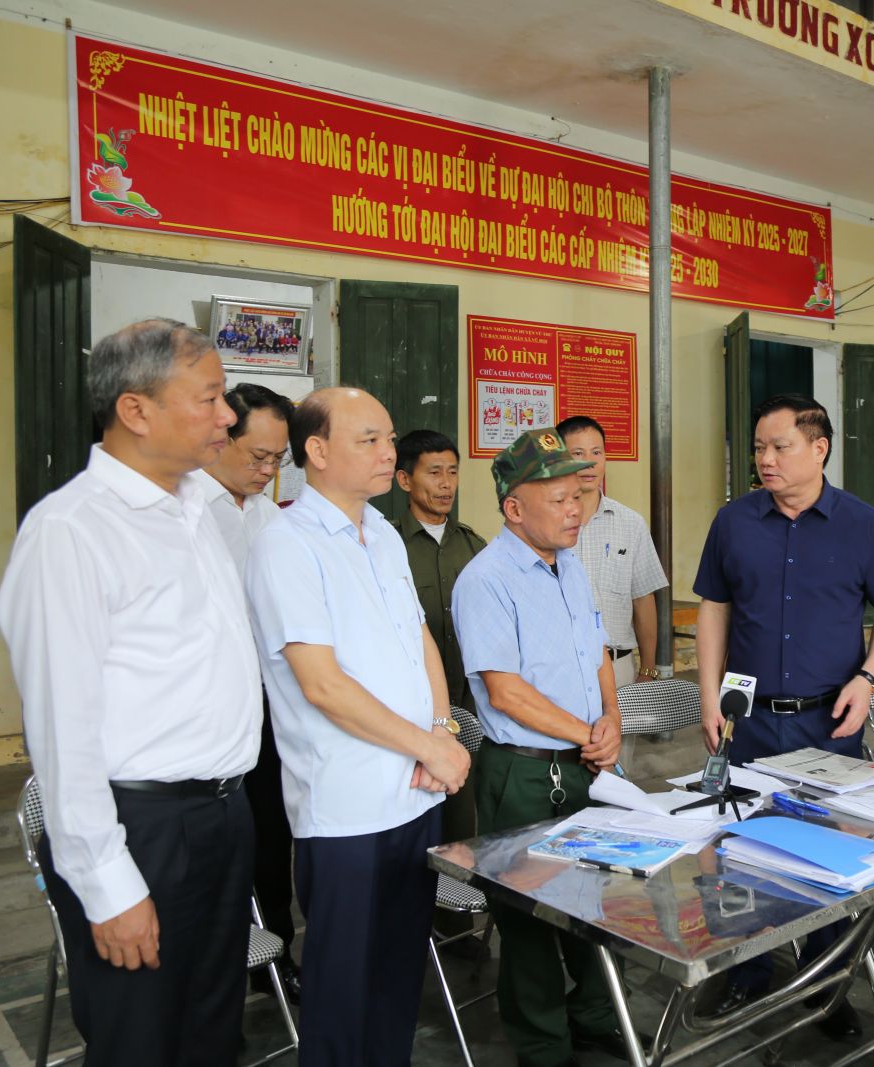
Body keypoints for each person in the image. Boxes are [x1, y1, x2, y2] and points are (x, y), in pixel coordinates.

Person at [0, 319, 259, 1066]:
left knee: (212, 1032)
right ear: (136, 410)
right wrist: (107, 883)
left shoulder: (196, 509)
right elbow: (61, 730)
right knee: (140, 1039)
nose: (228, 416)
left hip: (221, 814)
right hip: (141, 827)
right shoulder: (71, 531)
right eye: (209, 398)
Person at [245, 387, 471, 1066]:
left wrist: (441, 731)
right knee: (343, 994)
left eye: (389, 438)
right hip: (347, 809)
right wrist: (430, 745)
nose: (387, 452)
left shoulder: (383, 534)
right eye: (368, 439)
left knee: (399, 977)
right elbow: (323, 685)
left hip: (416, 791)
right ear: (316, 451)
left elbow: (420, 640)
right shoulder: (287, 543)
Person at [693, 393, 874, 1040]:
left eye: (779, 446)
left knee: (827, 853)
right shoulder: (734, 522)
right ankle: (748, 971)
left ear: (819, 449)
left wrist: (868, 679)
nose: (765, 458)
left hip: (829, 722)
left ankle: (827, 983)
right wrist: (708, 694)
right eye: (759, 447)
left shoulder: (862, 524)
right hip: (749, 720)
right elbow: (714, 609)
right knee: (743, 848)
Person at [453, 427, 632, 1067]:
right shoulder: (486, 580)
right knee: (529, 915)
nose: (574, 509)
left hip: (586, 764)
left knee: (596, 898)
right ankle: (543, 1045)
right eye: (557, 499)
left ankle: (593, 1017)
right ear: (514, 508)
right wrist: (588, 734)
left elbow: (598, 652)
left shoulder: (570, 567)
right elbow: (505, 692)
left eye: (577, 495)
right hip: (525, 774)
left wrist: (611, 719)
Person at [198, 382, 302, 1001]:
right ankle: (216, 965)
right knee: (214, 844)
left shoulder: (270, 518)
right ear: (221, 438)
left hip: (267, 704)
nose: (268, 471)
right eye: (258, 456)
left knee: (270, 833)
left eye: (278, 460)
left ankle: (275, 957)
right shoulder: (185, 510)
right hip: (205, 711)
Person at [393, 428, 487, 942]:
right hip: (409, 710)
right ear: (405, 479)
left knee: (461, 816)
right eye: (434, 472)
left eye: (453, 472)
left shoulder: (473, 545)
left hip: (467, 705)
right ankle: (409, 919)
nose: (447, 483)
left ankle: (455, 926)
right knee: (411, 814)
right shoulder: (385, 544)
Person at [556, 415, 669, 687]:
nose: (589, 462)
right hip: (559, 670)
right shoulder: (545, 526)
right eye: (577, 453)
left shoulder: (630, 523)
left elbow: (643, 599)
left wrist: (648, 669)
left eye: (597, 452)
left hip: (619, 669)